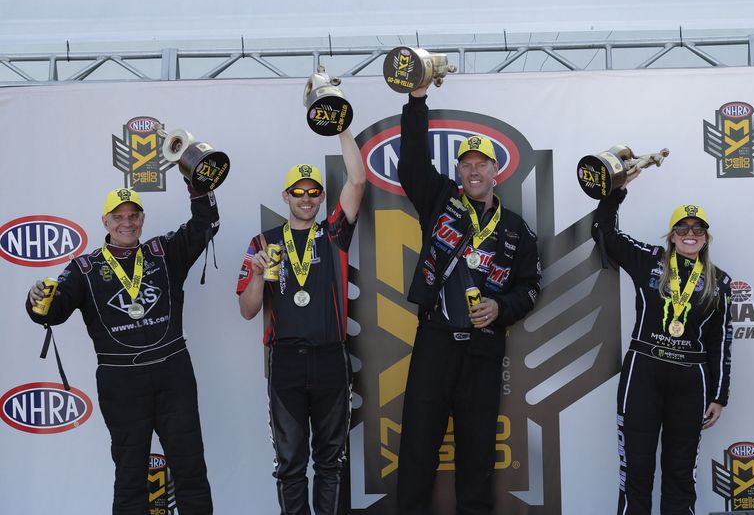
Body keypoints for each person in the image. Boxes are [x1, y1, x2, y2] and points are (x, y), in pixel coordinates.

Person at [26, 184, 218, 514]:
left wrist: (199, 190)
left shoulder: (164, 252)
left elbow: (205, 225)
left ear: (142, 219)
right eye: (118, 217)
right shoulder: (84, 269)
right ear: (105, 221)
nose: (126, 223)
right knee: (130, 477)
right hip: (122, 381)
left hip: (173, 374)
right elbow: (52, 312)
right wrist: (37, 303)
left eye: (133, 216)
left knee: (191, 470)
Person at [395, 84, 542, 515]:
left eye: (482, 164)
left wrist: (501, 309)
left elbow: (531, 287)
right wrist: (417, 101)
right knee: (418, 449)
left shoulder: (517, 229)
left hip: (483, 349)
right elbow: (413, 165)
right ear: (459, 171)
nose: (474, 171)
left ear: (497, 171)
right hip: (436, 342)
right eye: (467, 164)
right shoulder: (440, 201)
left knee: (478, 457)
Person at [236, 130, 365, 515]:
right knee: (290, 466)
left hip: (331, 358)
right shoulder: (263, 244)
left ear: (322, 198)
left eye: (313, 192)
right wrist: (258, 276)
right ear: (285, 197)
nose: (306, 198)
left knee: (330, 462)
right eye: (298, 192)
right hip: (286, 362)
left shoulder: (334, 234)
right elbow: (247, 310)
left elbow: (357, 180)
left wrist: (340, 126)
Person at [592, 168, 733, 515]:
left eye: (698, 228)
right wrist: (615, 192)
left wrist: (719, 395)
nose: (690, 233)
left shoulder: (720, 281)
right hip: (644, 375)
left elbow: (720, 342)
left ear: (706, 238)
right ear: (671, 235)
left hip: (690, 382)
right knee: (636, 474)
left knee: (680, 476)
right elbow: (604, 234)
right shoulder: (648, 260)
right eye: (682, 228)